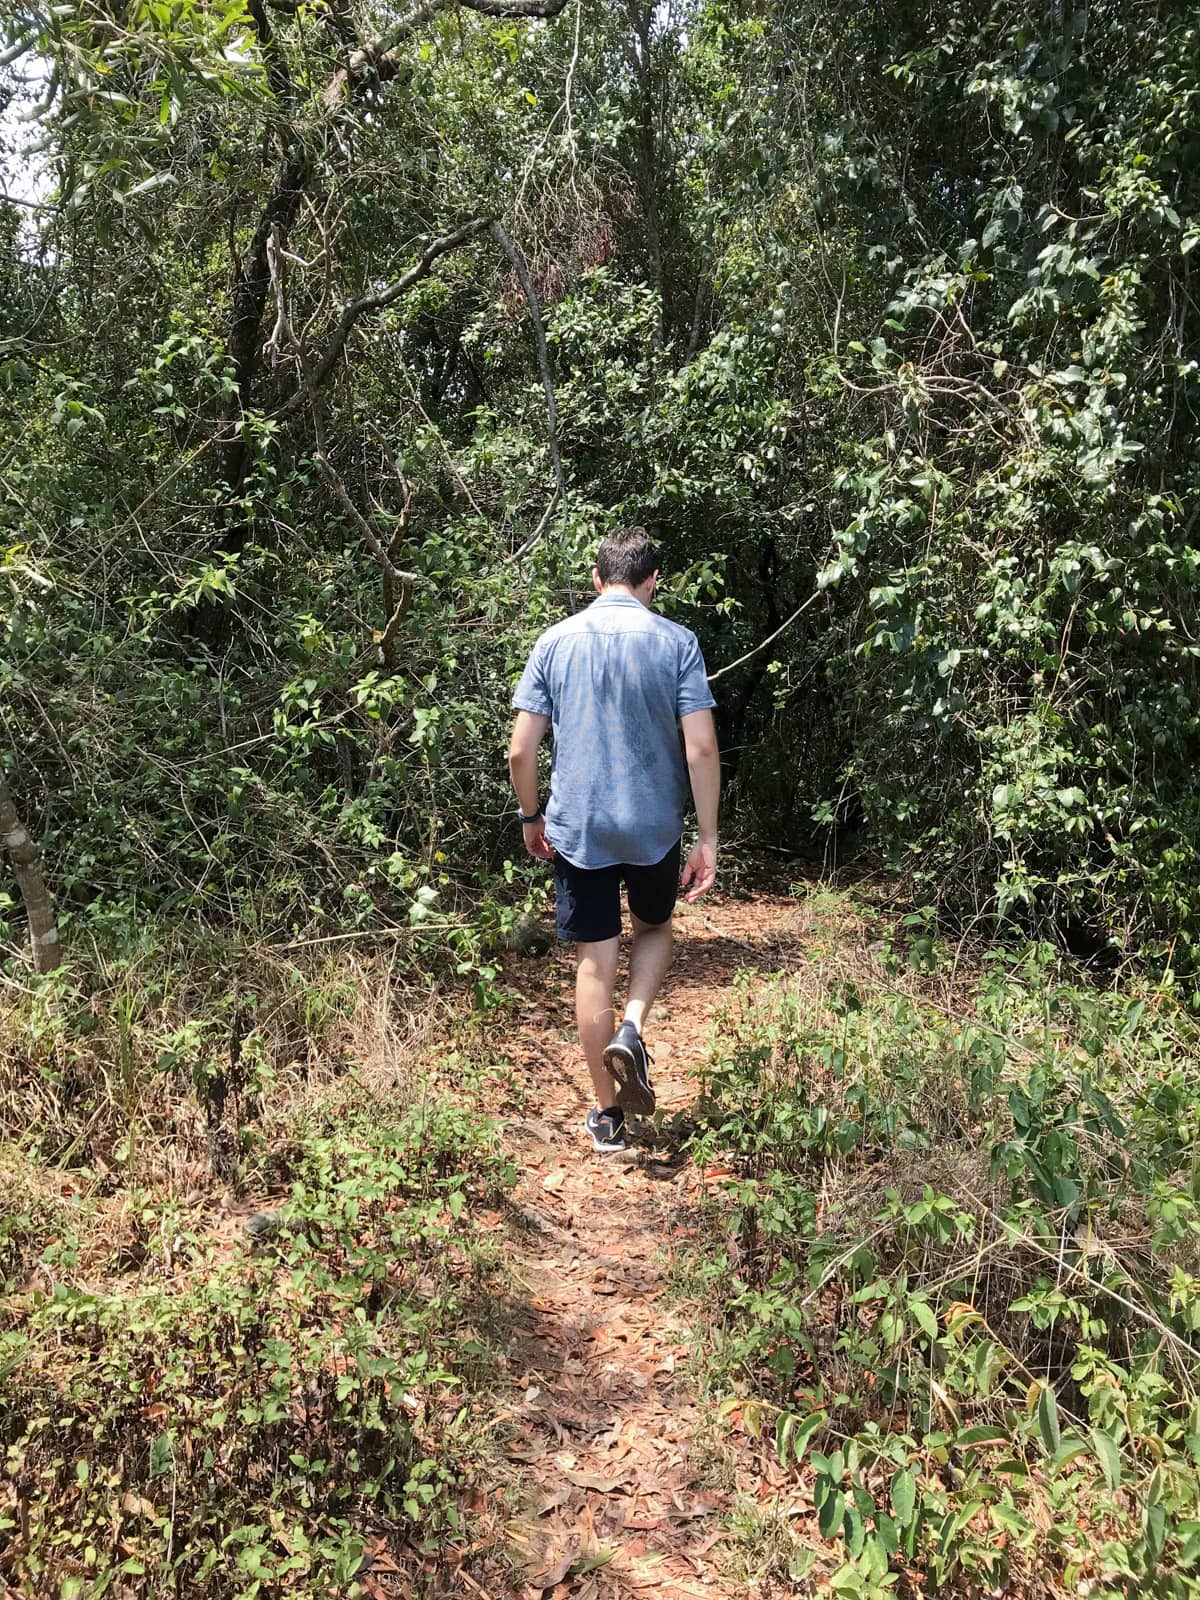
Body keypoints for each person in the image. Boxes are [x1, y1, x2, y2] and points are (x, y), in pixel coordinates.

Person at [508, 527, 720, 1153]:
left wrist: (530, 817)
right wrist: (707, 837)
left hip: (579, 828)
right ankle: (631, 1026)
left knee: (593, 960)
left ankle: (608, 1117)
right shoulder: (677, 642)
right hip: (653, 827)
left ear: (597, 580)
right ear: (651, 583)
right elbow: (701, 746)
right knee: (654, 930)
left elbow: (522, 748)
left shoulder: (554, 642)